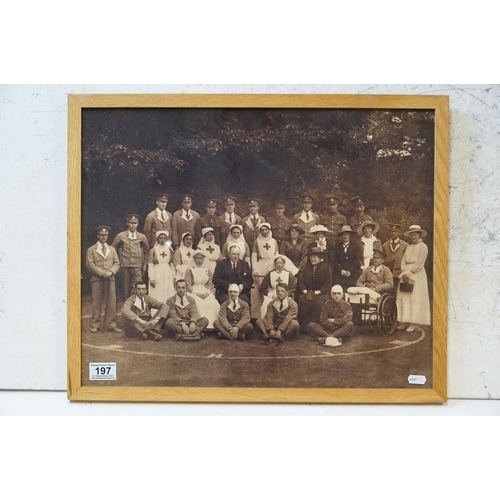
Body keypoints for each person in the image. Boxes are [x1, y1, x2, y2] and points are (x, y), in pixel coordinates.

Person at [85, 225, 121, 333]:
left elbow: (116, 263)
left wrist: (110, 272)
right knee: (96, 301)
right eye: (101, 235)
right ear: (98, 236)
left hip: (110, 278)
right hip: (97, 279)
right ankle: (95, 324)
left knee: (111, 302)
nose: (104, 237)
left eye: (105, 235)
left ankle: (111, 324)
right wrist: (101, 273)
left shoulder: (112, 249)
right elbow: (90, 264)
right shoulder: (91, 249)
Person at [396, 225, 431, 332]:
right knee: (404, 296)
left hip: (416, 274)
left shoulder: (423, 246)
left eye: (415, 235)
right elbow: (403, 260)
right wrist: (403, 271)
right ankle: (405, 321)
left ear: (419, 235)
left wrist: (410, 273)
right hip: (405, 272)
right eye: (411, 235)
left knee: (414, 296)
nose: (413, 237)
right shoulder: (409, 247)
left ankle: (414, 322)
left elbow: (420, 262)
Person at [111, 214, 150, 301]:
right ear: (128, 223)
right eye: (131, 223)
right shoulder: (121, 235)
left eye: (135, 223)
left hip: (137, 266)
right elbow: (112, 248)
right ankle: (127, 308)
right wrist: (117, 260)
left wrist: (144, 263)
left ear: (138, 224)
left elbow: (147, 250)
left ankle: (137, 307)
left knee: (137, 287)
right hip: (124, 266)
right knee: (125, 288)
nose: (133, 225)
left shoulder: (142, 236)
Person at [297, 247, 332, 334]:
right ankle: (304, 328)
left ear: (320, 258)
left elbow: (328, 284)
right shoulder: (306, 268)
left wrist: (318, 292)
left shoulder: (326, 268)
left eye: (315, 257)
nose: (312, 259)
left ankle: (316, 329)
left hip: (321, 293)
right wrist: (304, 290)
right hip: (308, 292)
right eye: (311, 257)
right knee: (302, 302)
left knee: (318, 304)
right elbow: (300, 282)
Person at [185, 252, 220, 329]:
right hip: (194, 291)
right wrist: (197, 294)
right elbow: (188, 285)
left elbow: (210, 284)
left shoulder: (207, 270)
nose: (199, 260)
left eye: (201, 259)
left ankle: (212, 325)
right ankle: (200, 325)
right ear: (194, 259)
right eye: (197, 258)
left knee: (214, 303)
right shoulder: (190, 270)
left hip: (205, 291)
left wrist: (207, 293)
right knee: (198, 302)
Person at [251, 223, 280, 319]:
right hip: (261, 266)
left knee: (270, 291)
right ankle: (257, 317)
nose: (264, 232)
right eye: (262, 230)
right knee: (259, 291)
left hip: (271, 265)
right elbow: (254, 256)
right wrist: (255, 269)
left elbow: (276, 255)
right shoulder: (257, 241)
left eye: (266, 229)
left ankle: (271, 316)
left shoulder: (274, 241)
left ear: (269, 230)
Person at [147, 230, 175, 305]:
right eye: (160, 238)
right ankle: (156, 312)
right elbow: (150, 265)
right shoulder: (153, 250)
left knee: (168, 291)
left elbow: (171, 264)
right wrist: (151, 278)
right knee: (158, 292)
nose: (162, 240)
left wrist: (173, 276)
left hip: (167, 273)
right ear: (157, 239)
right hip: (157, 272)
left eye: (164, 238)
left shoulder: (169, 250)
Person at [332, 225, 363, 291]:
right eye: (343, 235)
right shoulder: (337, 247)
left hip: (352, 272)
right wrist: (341, 270)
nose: (345, 236)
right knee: (338, 287)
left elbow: (356, 260)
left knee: (351, 288)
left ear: (350, 235)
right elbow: (335, 261)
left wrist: (350, 271)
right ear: (341, 236)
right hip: (340, 272)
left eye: (347, 234)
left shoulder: (355, 246)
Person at [382, 223, 409, 294]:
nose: (393, 233)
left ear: (399, 232)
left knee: (399, 293)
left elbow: (407, 260)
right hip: (388, 274)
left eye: (395, 231)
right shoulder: (385, 245)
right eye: (392, 231)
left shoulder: (405, 245)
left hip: (400, 274)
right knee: (389, 294)